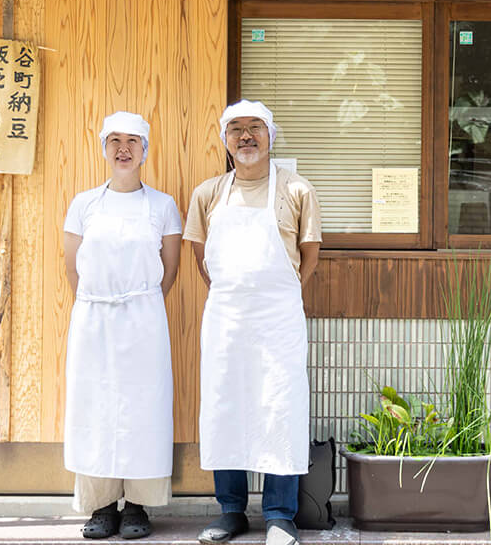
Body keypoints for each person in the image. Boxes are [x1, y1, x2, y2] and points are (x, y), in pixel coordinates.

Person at [184, 100, 321, 545]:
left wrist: (273, 290)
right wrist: (235, 289)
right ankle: (231, 511)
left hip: (279, 315)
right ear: (224, 140)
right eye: (236, 129)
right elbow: (200, 257)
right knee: (226, 405)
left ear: (270, 135)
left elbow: (309, 255)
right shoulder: (207, 193)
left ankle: (281, 515)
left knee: (279, 406)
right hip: (226, 316)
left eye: (255, 128)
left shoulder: (297, 189)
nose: (246, 136)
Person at [62, 111, 183, 540]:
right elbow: (73, 268)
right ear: (104, 149)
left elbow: (169, 271)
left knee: (142, 406)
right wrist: (102, 300)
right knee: (94, 405)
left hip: (143, 319)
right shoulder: (84, 204)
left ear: (145, 150)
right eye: (114, 140)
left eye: (133, 140)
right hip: (93, 318)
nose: (123, 148)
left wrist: (138, 302)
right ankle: (99, 506)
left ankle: (136, 506)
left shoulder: (162, 205)